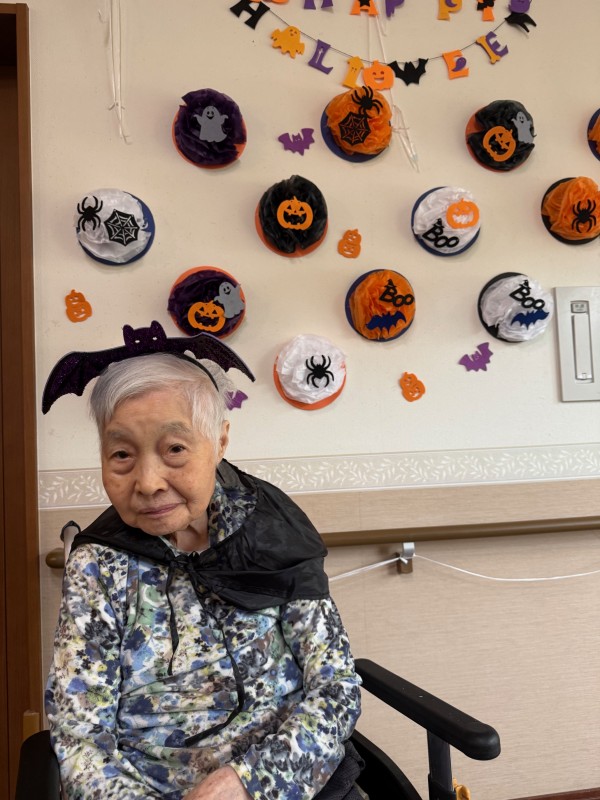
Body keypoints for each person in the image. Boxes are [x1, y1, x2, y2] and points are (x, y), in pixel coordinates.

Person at [44, 328, 362, 800]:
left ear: (220, 440)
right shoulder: (97, 565)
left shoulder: (272, 532)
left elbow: (335, 687)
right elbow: (80, 739)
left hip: (291, 780)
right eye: (121, 455)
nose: (148, 482)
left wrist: (250, 783)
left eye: (174, 449)